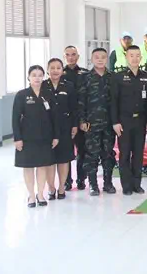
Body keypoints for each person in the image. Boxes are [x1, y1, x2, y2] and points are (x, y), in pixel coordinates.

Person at [13, 65, 59, 208]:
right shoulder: (22, 95)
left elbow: (55, 117)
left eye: (40, 75)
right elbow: (15, 118)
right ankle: (31, 196)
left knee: (42, 165)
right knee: (28, 166)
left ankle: (40, 194)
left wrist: (56, 136)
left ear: (43, 77)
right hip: (27, 137)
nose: (37, 78)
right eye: (34, 75)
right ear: (28, 77)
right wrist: (17, 138)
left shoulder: (48, 94)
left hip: (45, 137)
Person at [110, 45, 147, 196]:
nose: (135, 58)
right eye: (131, 55)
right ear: (126, 57)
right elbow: (113, 101)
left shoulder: (146, 76)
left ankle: (137, 184)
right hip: (124, 121)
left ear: (141, 57)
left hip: (140, 120)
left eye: (137, 55)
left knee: (138, 154)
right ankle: (126, 185)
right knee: (124, 154)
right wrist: (115, 122)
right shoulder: (118, 77)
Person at [79, 48, 116, 197]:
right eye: (97, 57)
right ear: (91, 59)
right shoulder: (85, 78)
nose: (100, 60)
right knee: (91, 155)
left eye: (103, 57)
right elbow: (81, 101)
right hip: (91, 124)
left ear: (107, 59)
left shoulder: (113, 77)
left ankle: (108, 183)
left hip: (109, 123)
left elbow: (117, 101)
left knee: (108, 154)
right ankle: (93, 185)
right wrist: (82, 120)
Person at [43, 59, 78, 200]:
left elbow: (74, 107)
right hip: (47, 127)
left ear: (62, 70)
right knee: (49, 159)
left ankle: (62, 187)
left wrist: (74, 125)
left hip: (65, 126)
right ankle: (51, 188)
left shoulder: (69, 86)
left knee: (64, 159)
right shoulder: (42, 86)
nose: (55, 70)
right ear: (47, 70)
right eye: (52, 68)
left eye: (58, 68)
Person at [62, 45, 88, 191]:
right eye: (68, 55)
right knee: (67, 152)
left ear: (78, 56)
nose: (71, 57)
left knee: (82, 151)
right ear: (64, 57)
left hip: (81, 118)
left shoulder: (85, 73)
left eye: (73, 54)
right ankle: (66, 181)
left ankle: (81, 179)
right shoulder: (60, 74)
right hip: (66, 119)